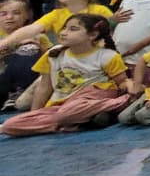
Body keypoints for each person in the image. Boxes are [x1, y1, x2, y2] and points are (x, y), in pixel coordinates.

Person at [1, 14, 131, 136]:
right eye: (64, 28)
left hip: (92, 96)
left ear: (92, 35)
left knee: (67, 113)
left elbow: (121, 82)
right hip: (63, 105)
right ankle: (82, 123)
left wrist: (130, 87)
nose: (63, 32)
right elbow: (44, 87)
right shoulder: (53, 54)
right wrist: (34, 114)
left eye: (72, 29)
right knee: (9, 126)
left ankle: (121, 103)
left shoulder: (107, 56)